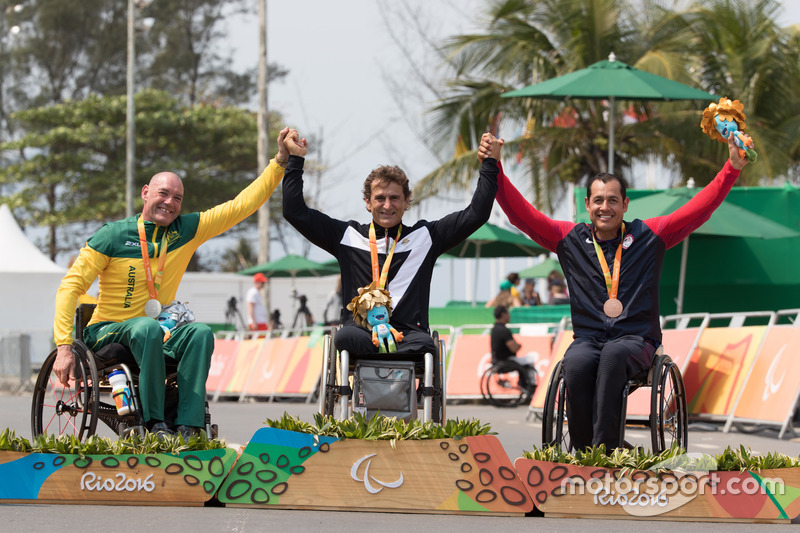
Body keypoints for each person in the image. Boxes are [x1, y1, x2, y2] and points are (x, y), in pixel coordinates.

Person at [479, 131, 749, 451]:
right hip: (589, 340)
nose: (604, 207)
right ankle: (583, 452)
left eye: (612, 200)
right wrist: (495, 166)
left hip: (637, 341)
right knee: (575, 363)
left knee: (613, 355)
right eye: (598, 200)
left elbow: (698, 210)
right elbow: (521, 215)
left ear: (625, 204)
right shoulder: (569, 239)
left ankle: (607, 450)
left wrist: (731, 168)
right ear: (587, 205)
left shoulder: (650, 235)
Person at [52, 128, 291, 438]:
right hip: (108, 331)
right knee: (146, 327)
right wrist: (63, 346)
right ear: (145, 192)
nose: (170, 202)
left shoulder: (186, 230)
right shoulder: (112, 235)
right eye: (163, 193)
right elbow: (70, 287)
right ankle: (154, 424)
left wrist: (280, 161)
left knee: (199, 333)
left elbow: (241, 205)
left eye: (177, 198)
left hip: (155, 335)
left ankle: (189, 425)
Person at [283, 129, 501, 355]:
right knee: (345, 336)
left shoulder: (426, 236)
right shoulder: (347, 236)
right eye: (380, 198)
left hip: (408, 335)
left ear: (406, 201)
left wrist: (489, 164)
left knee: (426, 345)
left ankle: (391, 354)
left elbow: (476, 214)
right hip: (361, 332)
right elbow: (294, 212)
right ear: (368, 202)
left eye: (394, 198)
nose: (387, 205)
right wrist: (295, 160)